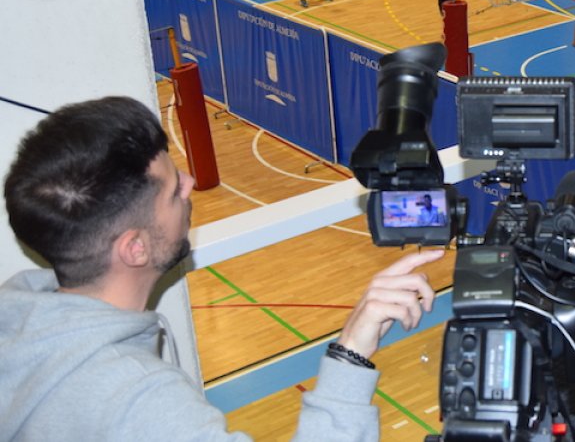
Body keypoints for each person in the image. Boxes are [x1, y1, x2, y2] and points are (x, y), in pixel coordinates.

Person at [0, 96, 445, 441]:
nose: (191, 185)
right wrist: (351, 351)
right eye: (175, 191)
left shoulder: (19, 326)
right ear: (134, 249)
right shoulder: (138, 402)